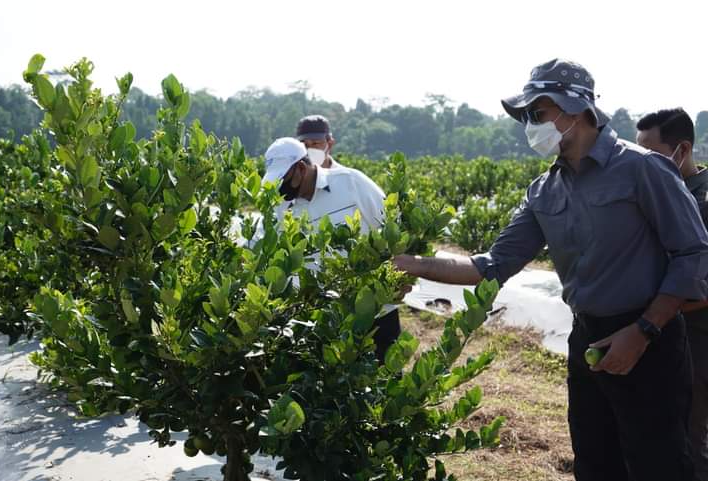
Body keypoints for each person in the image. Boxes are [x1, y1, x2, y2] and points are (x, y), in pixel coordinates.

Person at [393, 59, 708, 481]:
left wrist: (644, 330)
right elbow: (492, 265)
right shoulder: (544, 190)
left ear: (574, 111)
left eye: (537, 114)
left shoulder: (642, 169)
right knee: (595, 462)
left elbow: (692, 253)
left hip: (649, 340)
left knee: (658, 463)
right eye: (526, 117)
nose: (530, 126)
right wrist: (412, 265)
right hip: (587, 338)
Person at [262, 137, 400, 362]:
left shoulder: (350, 182)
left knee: (384, 379)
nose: (280, 188)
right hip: (323, 318)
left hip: (375, 310)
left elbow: (393, 227)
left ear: (300, 168)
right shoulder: (281, 207)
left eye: (284, 180)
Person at [637, 108, 708, 481]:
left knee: (689, 434)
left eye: (651, 153)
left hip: (695, 337)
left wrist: (657, 312)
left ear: (682, 149)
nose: (643, 163)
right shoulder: (651, 194)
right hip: (655, 331)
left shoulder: (703, 201)